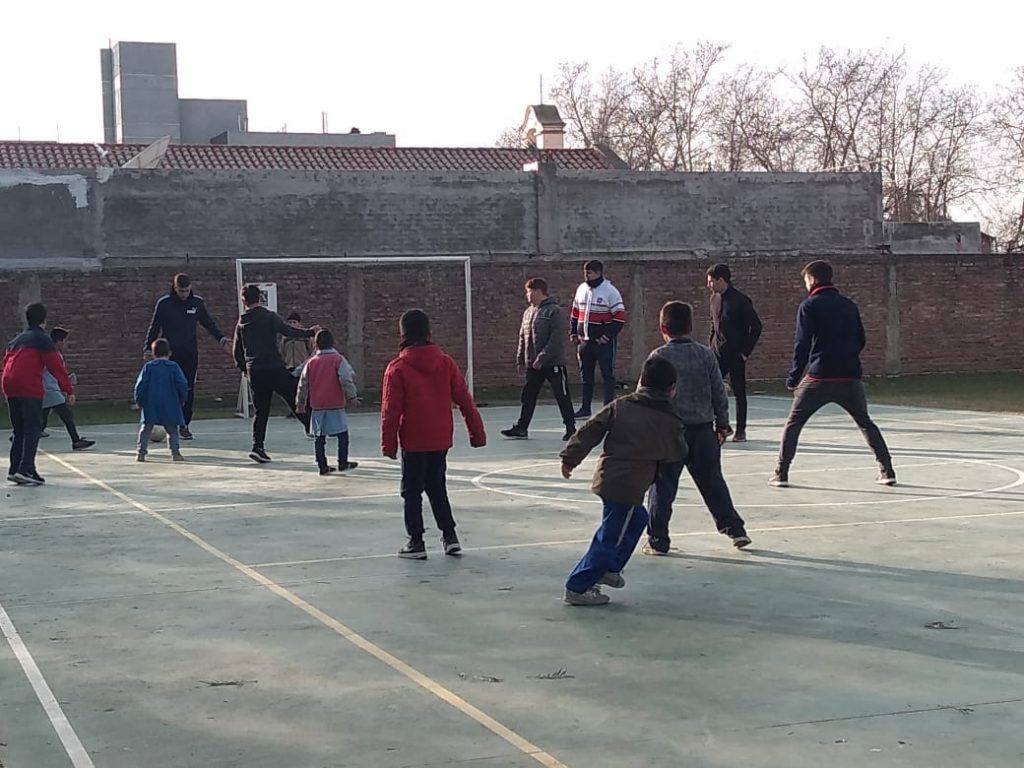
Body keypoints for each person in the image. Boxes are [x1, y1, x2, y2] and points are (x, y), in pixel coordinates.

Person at [559, 356, 687, 606]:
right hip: (628, 486)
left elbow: (590, 430)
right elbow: (677, 452)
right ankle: (577, 585)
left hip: (610, 478)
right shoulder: (669, 419)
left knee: (637, 519)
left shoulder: (621, 405)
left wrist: (570, 458)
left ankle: (609, 568)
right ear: (671, 390)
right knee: (609, 537)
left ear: (640, 381)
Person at [771, 260, 896, 487]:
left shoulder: (808, 306)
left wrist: (794, 378)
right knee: (865, 423)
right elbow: (861, 339)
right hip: (850, 376)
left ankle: (781, 473)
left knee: (794, 423)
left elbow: (802, 344)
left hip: (819, 377)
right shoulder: (849, 305)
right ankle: (887, 470)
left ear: (813, 279)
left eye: (806, 280)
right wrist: (847, 358)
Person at [644, 301, 751, 554]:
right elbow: (719, 392)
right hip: (703, 429)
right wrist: (723, 424)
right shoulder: (705, 354)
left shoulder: (658, 357)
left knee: (663, 486)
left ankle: (658, 540)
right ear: (691, 326)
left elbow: (645, 395)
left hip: (670, 433)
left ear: (662, 328)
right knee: (713, 482)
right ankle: (735, 529)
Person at [381, 309, 486, 560]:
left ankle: (416, 541)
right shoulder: (446, 362)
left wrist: (388, 445)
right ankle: (450, 536)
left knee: (411, 491)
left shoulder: (397, 368)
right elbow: (464, 400)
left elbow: (390, 410)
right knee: (437, 487)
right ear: (429, 332)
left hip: (413, 439)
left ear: (403, 334)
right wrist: (477, 434)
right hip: (440, 438)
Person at [233, 283, 319, 464]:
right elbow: (288, 330)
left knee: (261, 410)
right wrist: (310, 332)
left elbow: (237, 351)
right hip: (273, 366)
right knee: (295, 397)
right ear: (260, 298)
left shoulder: (241, 323)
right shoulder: (269, 317)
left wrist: (245, 369)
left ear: (243, 301)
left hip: (255, 370)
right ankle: (314, 428)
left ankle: (258, 447)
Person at [143, 273, 231, 440]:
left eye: (186, 290)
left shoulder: (197, 303)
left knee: (187, 387)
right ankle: (166, 422)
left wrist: (221, 339)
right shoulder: (164, 304)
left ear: (190, 288)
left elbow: (208, 322)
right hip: (169, 354)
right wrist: (148, 349)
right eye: (180, 291)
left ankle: (184, 424)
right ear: (174, 288)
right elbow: (154, 327)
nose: (183, 294)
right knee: (168, 388)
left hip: (190, 353)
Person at [2, 303, 75, 485]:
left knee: (19, 429)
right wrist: (68, 389)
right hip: (28, 386)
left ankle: (15, 469)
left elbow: (6, 362)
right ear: (44, 319)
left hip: (10, 384)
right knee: (32, 428)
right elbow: (55, 366)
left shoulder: (16, 340)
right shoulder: (42, 340)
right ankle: (26, 468)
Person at [501, 277, 576, 441]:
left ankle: (571, 428)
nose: (527, 295)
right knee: (528, 395)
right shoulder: (528, 312)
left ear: (537, 291)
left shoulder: (554, 311)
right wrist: (521, 358)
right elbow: (523, 336)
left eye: (528, 291)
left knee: (561, 395)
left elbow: (556, 338)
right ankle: (522, 427)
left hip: (553, 363)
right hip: (533, 365)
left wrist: (542, 357)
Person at [707, 263, 762, 442]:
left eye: (711, 281)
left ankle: (741, 430)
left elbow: (756, 326)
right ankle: (722, 426)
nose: (709, 285)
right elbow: (713, 325)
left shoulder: (740, 300)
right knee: (709, 390)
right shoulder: (713, 299)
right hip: (717, 353)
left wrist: (745, 352)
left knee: (739, 392)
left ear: (721, 280)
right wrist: (710, 347)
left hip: (736, 354)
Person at [296, 329, 360, 476]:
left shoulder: (311, 362)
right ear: (333, 342)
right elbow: (345, 379)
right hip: (335, 403)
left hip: (317, 404)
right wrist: (352, 397)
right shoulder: (338, 359)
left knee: (319, 437)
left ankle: (322, 465)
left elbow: (303, 383)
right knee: (342, 434)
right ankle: (342, 461)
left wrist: (300, 403)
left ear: (315, 345)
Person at [570, 259, 627, 418]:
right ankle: (585, 408)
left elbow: (620, 317)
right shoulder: (581, 289)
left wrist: (607, 336)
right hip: (584, 342)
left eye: (590, 273)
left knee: (607, 375)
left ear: (599, 273)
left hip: (603, 343)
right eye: (585, 273)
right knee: (586, 376)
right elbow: (575, 313)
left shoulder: (610, 291)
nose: (587, 276)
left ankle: (608, 408)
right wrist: (573, 332)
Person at [134, 339, 189, 462]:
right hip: (170, 402)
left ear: (153, 354)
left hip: (151, 402)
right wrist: (182, 398)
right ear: (169, 353)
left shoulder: (148, 367)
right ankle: (175, 453)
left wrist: (139, 399)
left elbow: (140, 385)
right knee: (172, 429)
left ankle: (141, 452)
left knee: (146, 428)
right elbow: (182, 384)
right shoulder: (173, 367)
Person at [41, 328, 94, 451]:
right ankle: (76, 440)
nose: (65, 344)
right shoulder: (53, 354)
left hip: (47, 388)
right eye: (64, 341)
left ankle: (21, 434)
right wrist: (69, 390)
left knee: (41, 415)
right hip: (50, 389)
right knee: (67, 416)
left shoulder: (45, 353)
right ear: (59, 341)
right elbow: (59, 373)